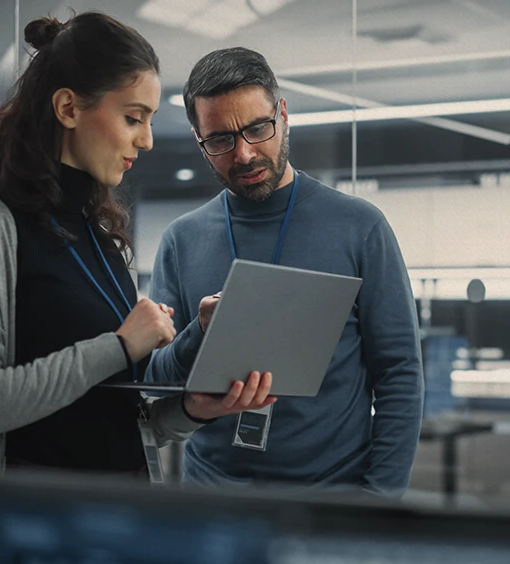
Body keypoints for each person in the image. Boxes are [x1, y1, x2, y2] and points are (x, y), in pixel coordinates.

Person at [0, 14, 273, 476]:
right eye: (133, 118)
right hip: (29, 532)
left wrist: (194, 408)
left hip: (121, 522)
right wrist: (118, 346)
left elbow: (122, 417)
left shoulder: (104, 240)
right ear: (68, 108)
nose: (147, 140)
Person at [147, 47, 424, 498]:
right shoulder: (182, 240)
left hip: (333, 499)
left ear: (283, 114)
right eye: (219, 140)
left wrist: (380, 500)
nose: (244, 153)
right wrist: (199, 332)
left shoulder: (359, 227)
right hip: (214, 500)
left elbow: (399, 374)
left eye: (258, 128)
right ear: (199, 141)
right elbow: (157, 380)